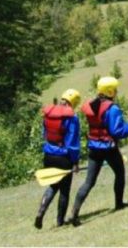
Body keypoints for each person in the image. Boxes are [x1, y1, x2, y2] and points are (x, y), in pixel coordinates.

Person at [69, 76, 128, 226]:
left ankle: (74, 213)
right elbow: (117, 131)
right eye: (115, 90)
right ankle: (119, 204)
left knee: (89, 182)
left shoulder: (90, 105)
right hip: (109, 149)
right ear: (110, 91)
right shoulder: (113, 108)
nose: (116, 92)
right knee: (120, 173)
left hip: (93, 148)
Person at [34, 89, 81, 229]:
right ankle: (60, 221)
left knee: (53, 186)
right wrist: (75, 161)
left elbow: (45, 134)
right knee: (64, 190)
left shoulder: (49, 114)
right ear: (74, 103)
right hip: (63, 157)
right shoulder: (72, 118)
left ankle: (41, 211)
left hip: (48, 155)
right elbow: (73, 143)